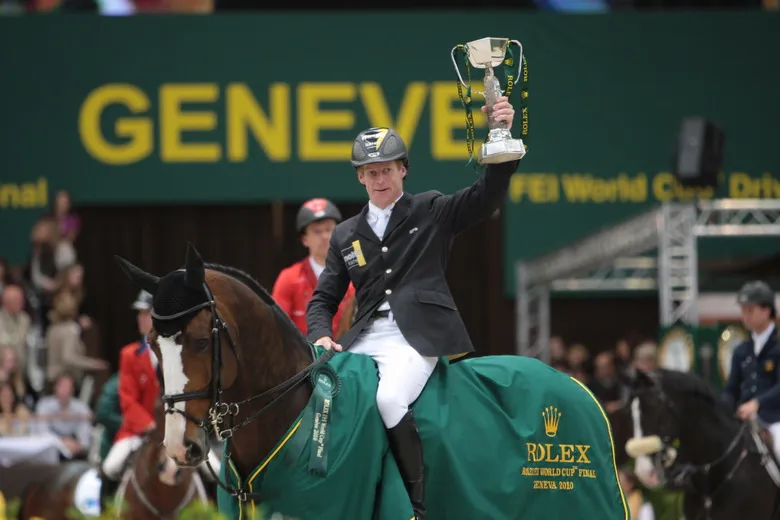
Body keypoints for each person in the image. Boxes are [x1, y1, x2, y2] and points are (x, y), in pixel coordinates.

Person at [306, 96, 519, 520]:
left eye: (386, 169)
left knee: (387, 400)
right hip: (364, 337)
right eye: (371, 172)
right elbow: (323, 298)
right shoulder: (347, 233)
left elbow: (486, 195)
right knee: (325, 406)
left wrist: (501, 135)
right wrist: (319, 333)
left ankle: (416, 506)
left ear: (402, 169)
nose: (379, 178)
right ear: (360, 178)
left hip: (415, 337)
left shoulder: (432, 209)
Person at [99, 290, 159, 510]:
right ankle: (106, 513)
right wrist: (149, 425)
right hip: (138, 430)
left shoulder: (177, 351)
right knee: (110, 467)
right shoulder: (129, 354)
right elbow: (127, 399)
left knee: (211, 464)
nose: (141, 319)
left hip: (174, 429)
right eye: (139, 314)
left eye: (147, 313)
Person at [272, 199, 356, 339]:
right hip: (305, 357)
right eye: (317, 231)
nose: (324, 236)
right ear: (305, 240)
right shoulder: (289, 278)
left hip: (348, 354)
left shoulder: (356, 274)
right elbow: (277, 327)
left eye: (329, 229)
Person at [723, 280, 779, 459]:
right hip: (745, 419)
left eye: (750, 310)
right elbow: (731, 388)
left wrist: (757, 403)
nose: (745, 316)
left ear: (766, 310)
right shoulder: (741, 350)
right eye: (743, 311)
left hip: (775, 418)